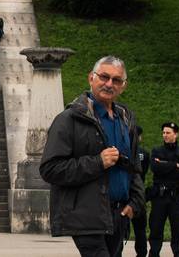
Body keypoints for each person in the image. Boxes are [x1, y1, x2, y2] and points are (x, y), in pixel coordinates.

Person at [40, 56, 145, 257]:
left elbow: (134, 167)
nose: (109, 84)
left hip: (118, 215)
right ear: (91, 78)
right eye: (104, 77)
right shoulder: (69, 119)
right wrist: (98, 162)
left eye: (116, 80)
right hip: (87, 217)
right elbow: (50, 168)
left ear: (123, 86)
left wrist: (135, 203)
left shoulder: (126, 120)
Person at [148, 122, 179, 257]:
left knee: (178, 230)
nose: (165, 135)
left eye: (168, 132)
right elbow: (155, 168)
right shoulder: (156, 151)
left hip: (176, 198)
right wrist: (174, 165)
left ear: (176, 134)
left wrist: (164, 165)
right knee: (155, 230)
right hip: (159, 197)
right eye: (164, 133)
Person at [131, 126, 150, 257]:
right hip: (138, 193)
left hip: (124, 194)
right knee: (140, 229)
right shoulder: (145, 154)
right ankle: (141, 254)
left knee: (119, 229)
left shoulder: (123, 151)